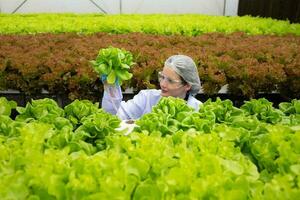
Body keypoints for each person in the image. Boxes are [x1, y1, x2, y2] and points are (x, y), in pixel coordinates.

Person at [101, 55, 202, 120]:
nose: (163, 84)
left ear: (187, 85)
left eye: (170, 81)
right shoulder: (146, 98)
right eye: (162, 77)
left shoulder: (198, 109)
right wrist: (111, 87)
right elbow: (114, 117)